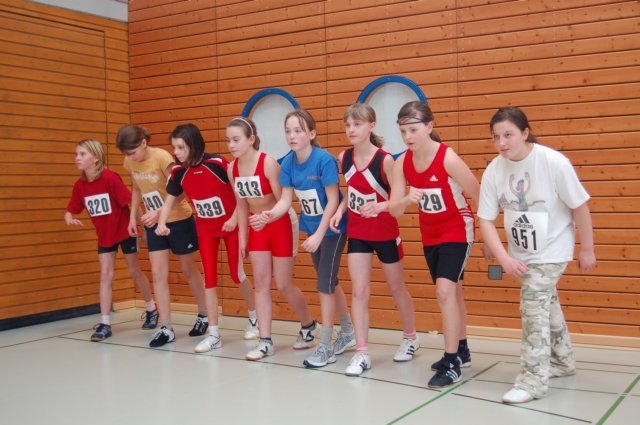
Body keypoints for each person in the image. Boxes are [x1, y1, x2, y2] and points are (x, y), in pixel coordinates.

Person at [478, 107, 596, 404]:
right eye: (496, 137)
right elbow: (486, 220)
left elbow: (579, 206)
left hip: (553, 247)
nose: (502, 143)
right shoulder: (494, 170)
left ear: (525, 133)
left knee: (533, 306)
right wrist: (504, 258)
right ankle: (563, 360)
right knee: (546, 303)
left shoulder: (553, 162)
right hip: (522, 251)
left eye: (508, 135)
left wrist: (587, 248)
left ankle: (533, 381)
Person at [389, 101, 488, 388]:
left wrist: (488, 237)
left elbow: (479, 195)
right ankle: (462, 348)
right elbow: (395, 210)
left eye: (413, 130)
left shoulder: (448, 158)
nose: (407, 137)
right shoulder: (402, 162)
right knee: (452, 292)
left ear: (430, 126)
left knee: (444, 292)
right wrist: (405, 199)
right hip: (430, 234)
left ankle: (451, 361)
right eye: (403, 131)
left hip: (457, 229)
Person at [259, 109, 355, 368]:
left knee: (324, 285)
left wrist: (320, 234)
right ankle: (348, 331)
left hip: (333, 228)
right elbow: (284, 200)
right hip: (313, 230)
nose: (292, 136)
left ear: (312, 134)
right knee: (330, 281)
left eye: (298, 131)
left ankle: (325, 346)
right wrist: (270, 215)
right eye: (288, 131)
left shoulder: (324, 160)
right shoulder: (288, 164)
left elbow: (333, 200)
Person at [329, 103, 418, 377]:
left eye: (357, 124)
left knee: (397, 288)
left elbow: (399, 200)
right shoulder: (344, 157)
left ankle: (411, 336)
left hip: (385, 232)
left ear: (371, 125)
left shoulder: (386, 161)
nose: (351, 130)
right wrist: (340, 210)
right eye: (348, 125)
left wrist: (381, 206)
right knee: (359, 291)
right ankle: (362, 352)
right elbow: (352, 190)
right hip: (358, 232)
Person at [155, 124, 258, 353]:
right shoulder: (178, 172)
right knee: (209, 279)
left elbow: (241, 195)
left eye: (181, 147)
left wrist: (234, 218)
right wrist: (161, 222)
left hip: (231, 226)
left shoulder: (217, 164)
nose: (176, 152)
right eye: (174, 148)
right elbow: (169, 202)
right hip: (206, 229)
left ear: (193, 144)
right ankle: (213, 334)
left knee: (236, 274)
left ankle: (254, 317)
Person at [116, 125, 217, 348]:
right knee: (158, 273)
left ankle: (204, 314)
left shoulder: (163, 158)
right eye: (126, 154)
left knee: (188, 269)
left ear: (144, 142)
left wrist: (160, 212)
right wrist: (133, 217)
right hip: (153, 223)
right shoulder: (130, 162)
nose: (130, 157)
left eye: (133, 152)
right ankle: (166, 327)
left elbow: (181, 190)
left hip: (178, 219)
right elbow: (136, 188)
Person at [227, 117, 317, 361]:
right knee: (261, 283)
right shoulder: (232, 169)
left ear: (251, 139)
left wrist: (268, 218)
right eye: (228, 140)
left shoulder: (267, 163)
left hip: (280, 223)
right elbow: (241, 205)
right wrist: (243, 238)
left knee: (283, 284)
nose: (231, 145)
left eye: (236, 139)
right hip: (257, 226)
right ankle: (265, 341)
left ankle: (308, 324)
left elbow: (283, 201)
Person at [64, 139, 156, 341]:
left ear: (95, 158)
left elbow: (131, 203)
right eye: (76, 154)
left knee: (134, 271)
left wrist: (144, 228)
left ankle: (151, 308)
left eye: (82, 154)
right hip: (105, 236)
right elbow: (71, 209)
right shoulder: (80, 185)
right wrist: (69, 217)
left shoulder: (110, 178)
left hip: (125, 231)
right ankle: (105, 323)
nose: (77, 158)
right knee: (105, 275)